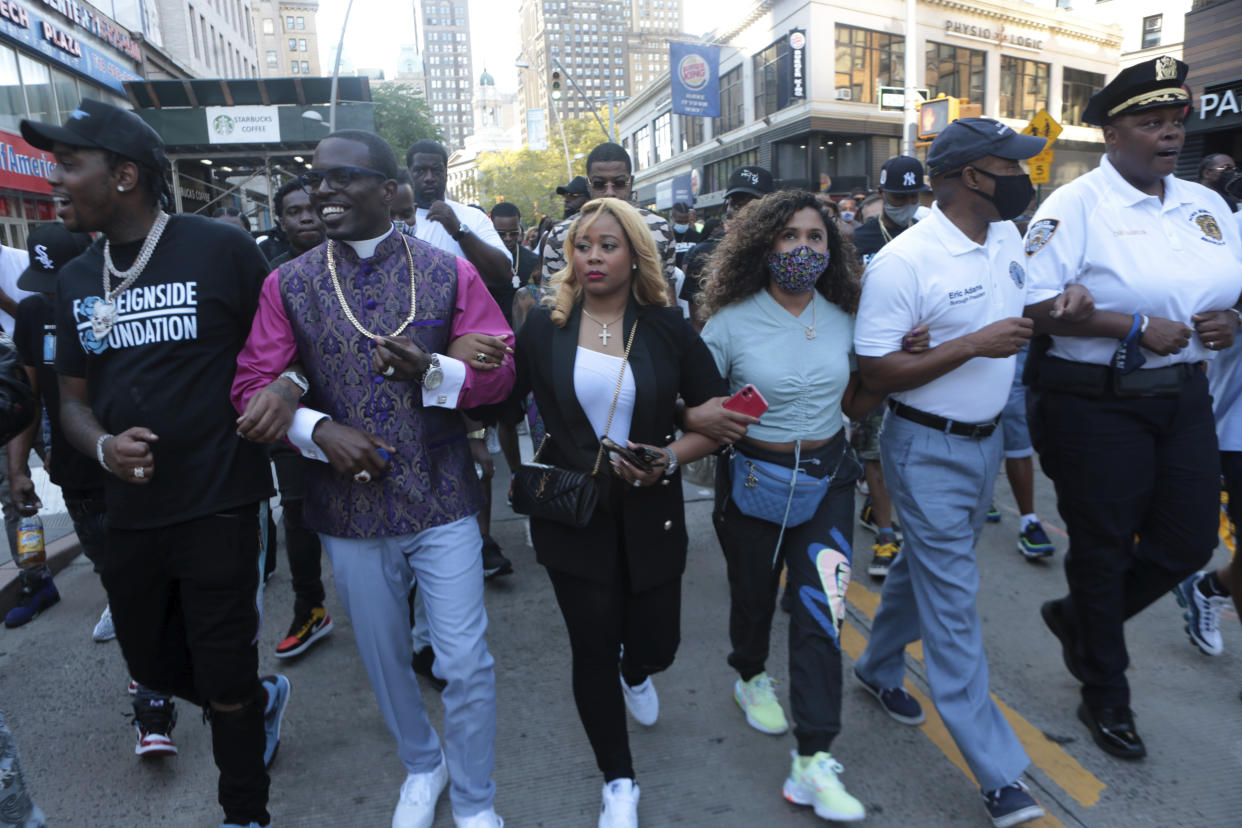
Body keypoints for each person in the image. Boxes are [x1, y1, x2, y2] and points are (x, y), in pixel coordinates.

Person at [232, 129, 512, 828]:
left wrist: (435, 370)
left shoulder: (446, 272)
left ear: (391, 191)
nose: (323, 190)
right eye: (316, 178)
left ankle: (477, 801)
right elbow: (253, 383)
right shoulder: (288, 283)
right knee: (385, 659)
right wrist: (317, 431)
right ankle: (423, 763)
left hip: (443, 492)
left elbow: (500, 371)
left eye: (342, 177)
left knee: (465, 662)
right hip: (349, 507)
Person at [25, 98, 289, 828]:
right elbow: (71, 402)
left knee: (224, 671)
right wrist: (103, 446)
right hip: (130, 511)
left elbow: (286, 342)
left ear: (126, 175)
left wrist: (284, 388)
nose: (56, 181)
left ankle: (244, 811)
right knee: (153, 660)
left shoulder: (218, 248)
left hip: (222, 500)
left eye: (70, 164)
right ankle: (256, 700)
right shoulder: (74, 282)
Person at [1023, 56, 1242, 761]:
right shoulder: (1076, 205)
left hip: (1183, 395)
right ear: (1112, 133)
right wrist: (1129, 325)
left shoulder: (1206, 205)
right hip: (1094, 405)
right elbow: (1030, 304)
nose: (1169, 136)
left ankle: (1081, 620)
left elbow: (1228, 289)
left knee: (1185, 543)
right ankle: (1106, 695)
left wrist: (1230, 321)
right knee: (1104, 547)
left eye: (1176, 123)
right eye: (1151, 123)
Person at [853, 117, 1056, 828]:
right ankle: (999, 774)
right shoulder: (904, 262)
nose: (1025, 175)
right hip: (926, 448)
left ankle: (876, 669)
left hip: (985, 444)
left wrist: (1073, 308)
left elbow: (1023, 306)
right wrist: (972, 345)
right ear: (974, 176)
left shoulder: (1003, 236)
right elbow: (876, 370)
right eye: (1014, 163)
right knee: (953, 604)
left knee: (926, 571)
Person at [508, 197, 724, 828]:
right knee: (592, 645)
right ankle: (619, 781)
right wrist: (452, 368)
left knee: (657, 642)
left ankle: (640, 670)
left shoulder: (665, 326)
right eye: (583, 245)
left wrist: (670, 454)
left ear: (635, 255)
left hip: (652, 510)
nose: (593, 256)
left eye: (608, 245)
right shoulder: (545, 325)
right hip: (572, 513)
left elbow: (716, 419)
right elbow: (497, 396)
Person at [687, 190, 882, 823]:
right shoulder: (729, 323)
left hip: (827, 483)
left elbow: (855, 403)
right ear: (764, 245)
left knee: (821, 612)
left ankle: (813, 760)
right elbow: (695, 402)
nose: (803, 248)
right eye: (789, 236)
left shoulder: (847, 319)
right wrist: (690, 424)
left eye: (816, 238)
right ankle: (749, 674)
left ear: (832, 249)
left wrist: (895, 359)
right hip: (753, 486)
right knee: (752, 596)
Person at [261, 180, 337, 659]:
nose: (306, 218)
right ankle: (310, 607)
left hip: (354, 409)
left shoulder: (353, 262)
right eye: (295, 212)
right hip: (294, 412)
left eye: (313, 209)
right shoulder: (268, 276)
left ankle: (408, 618)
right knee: (298, 511)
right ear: (282, 221)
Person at [849, 156, 930, 578]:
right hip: (873, 361)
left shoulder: (932, 235)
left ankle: (899, 519)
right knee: (872, 450)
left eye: (913, 195)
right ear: (882, 194)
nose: (906, 203)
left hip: (922, 360)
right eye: (899, 196)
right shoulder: (859, 238)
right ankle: (885, 533)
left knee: (912, 448)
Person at [540, 143, 675, 301]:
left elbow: (667, 294)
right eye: (599, 184)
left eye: (619, 183)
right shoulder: (561, 234)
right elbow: (552, 300)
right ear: (588, 185)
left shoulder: (659, 228)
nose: (609, 191)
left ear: (630, 182)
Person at [406, 139, 512, 291]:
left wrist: (459, 230)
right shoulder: (391, 220)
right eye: (420, 171)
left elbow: (503, 272)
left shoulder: (473, 217)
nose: (429, 177)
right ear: (409, 173)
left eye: (436, 170)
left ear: (446, 173)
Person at [679, 165, 775, 324]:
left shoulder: (783, 252)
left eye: (752, 205)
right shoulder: (703, 254)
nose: (744, 211)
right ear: (728, 207)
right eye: (737, 204)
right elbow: (698, 324)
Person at [669, 201, 700, 269]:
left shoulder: (696, 236)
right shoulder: (667, 237)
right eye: (679, 221)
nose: (683, 224)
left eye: (686, 221)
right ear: (672, 218)